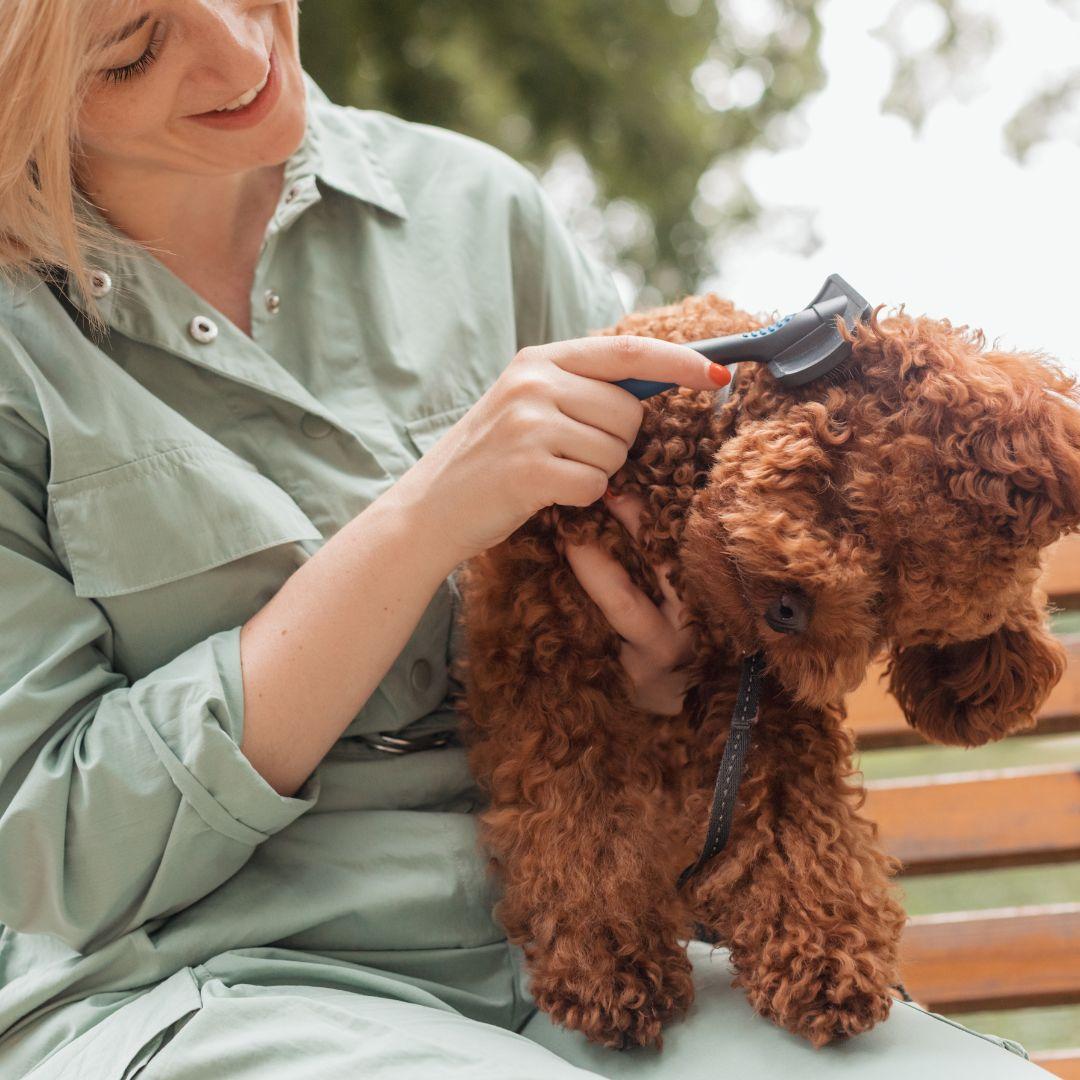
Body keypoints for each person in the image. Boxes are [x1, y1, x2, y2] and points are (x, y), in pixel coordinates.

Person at [0, 2, 1044, 1077]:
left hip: (586, 955)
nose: (236, 49)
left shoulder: (473, 210)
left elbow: (668, 586)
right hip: (207, 982)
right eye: (131, 49)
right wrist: (422, 522)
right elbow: (50, 854)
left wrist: (669, 664)